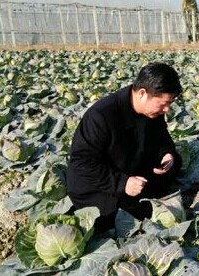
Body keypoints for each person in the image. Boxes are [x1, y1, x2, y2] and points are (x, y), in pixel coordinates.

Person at [66, 62, 183, 234]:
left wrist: (166, 154)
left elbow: (162, 139)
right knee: (121, 220)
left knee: (175, 165)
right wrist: (122, 183)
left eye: (170, 103)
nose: (166, 109)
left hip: (132, 170)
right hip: (99, 184)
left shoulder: (153, 112)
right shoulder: (101, 115)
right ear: (143, 93)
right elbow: (81, 163)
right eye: (163, 103)